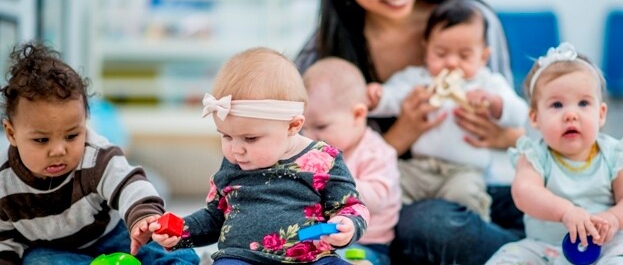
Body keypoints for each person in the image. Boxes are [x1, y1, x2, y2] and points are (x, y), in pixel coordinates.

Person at [295, 0, 623, 263]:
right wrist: (404, 133)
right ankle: (551, 247)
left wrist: (501, 133)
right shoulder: (324, 60)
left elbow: (528, 127)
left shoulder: (469, 20)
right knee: (430, 226)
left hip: (476, 186)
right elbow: (329, 171)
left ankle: (561, 231)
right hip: (403, 203)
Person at [149, 47, 369, 264]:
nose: (236, 150)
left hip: (312, 259)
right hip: (241, 257)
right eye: (226, 136)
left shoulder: (325, 159)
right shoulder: (234, 164)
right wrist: (180, 232)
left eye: (250, 138)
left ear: (292, 126)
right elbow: (214, 218)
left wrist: (347, 225)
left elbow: (351, 206)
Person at [0, 42, 199, 264]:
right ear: (11, 133)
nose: (59, 150)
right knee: (36, 261)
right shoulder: (3, 181)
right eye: (41, 140)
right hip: (53, 249)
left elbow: (129, 184)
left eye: (72, 135)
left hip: (111, 235)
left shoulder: (95, 156)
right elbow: (4, 240)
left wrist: (142, 218)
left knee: (164, 244)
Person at [365, 0, 528, 221]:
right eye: (441, 53)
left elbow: (519, 113)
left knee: (466, 198)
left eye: (464, 55)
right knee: (391, 186)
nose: (451, 63)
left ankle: (473, 237)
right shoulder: (419, 79)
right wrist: (377, 97)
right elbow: (394, 96)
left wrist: (496, 104)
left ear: (483, 56)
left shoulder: (488, 84)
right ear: (426, 49)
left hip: (464, 171)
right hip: (418, 167)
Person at [486, 42, 623, 264]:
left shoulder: (616, 153)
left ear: (601, 114)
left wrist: (615, 218)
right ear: (535, 118)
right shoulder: (535, 155)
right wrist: (565, 212)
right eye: (557, 105)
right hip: (544, 247)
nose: (571, 114)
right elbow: (523, 192)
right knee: (507, 257)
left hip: (605, 246)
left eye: (583, 103)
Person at [302, 57, 402, 265]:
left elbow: (376, 199)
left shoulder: (376, 152)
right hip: (318, 242)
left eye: (321, 127)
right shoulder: (312, 151)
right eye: (304, 128)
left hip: (366, 245)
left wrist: (332, 180)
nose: (311, 137)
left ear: (358, 115)